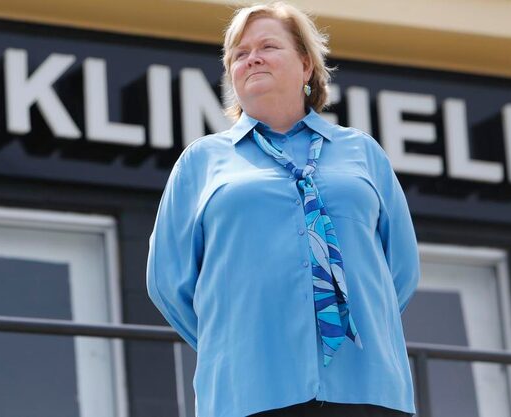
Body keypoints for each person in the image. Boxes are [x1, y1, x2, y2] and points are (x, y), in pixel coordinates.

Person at [145, 1, 421, 416]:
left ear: (306, 66)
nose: (251, 57)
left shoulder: (362, 152)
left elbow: (399, 268)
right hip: (249, 390)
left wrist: (360, 317)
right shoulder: (200, 162)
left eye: (267, 46)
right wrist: (236, 340)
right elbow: (168, 281)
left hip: (366, 385)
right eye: (239, 53)